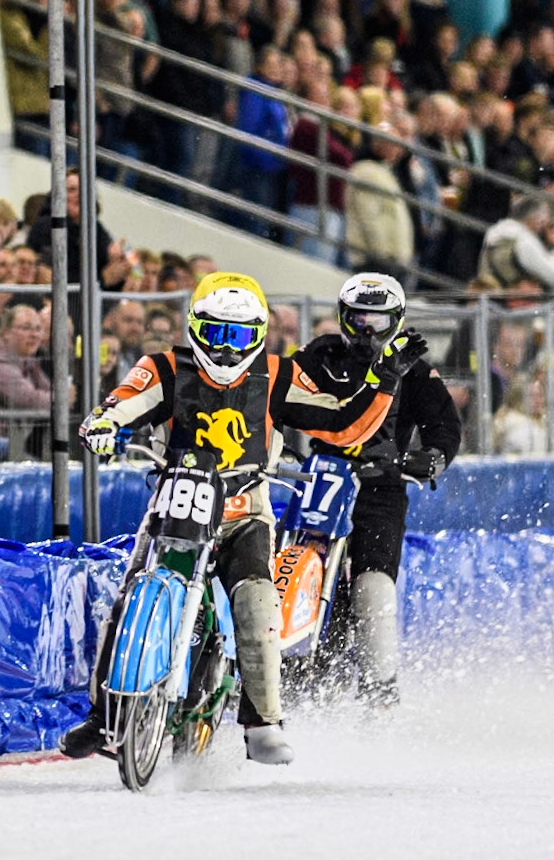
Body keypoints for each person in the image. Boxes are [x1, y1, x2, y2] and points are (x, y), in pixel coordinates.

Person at [61, 271, 427, 766]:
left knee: (257, 602)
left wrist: (383, 381)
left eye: (239, 336)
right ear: (194, 327)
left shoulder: (278, 375)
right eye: (216, 333)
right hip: (175, 501)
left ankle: (262, 722)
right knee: (126, 597)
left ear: (257, 336)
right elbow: (122, 403)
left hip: (244, 509)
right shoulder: (164, 367)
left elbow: (342, 425)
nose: (227, 348)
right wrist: (102, 425)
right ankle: (102, 714)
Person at [289, 274, 462, 706]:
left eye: (379, 322)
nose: (368, 331)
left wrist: (434, 457)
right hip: (321, 478)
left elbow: (444, 425)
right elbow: (280, 394)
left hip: (381, 488)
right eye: (359, 320)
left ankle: (379, 689)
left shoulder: (417, 369)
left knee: (373, 585)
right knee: (289, 557)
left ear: (397, 322)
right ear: (344, 319)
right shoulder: (320, 355)